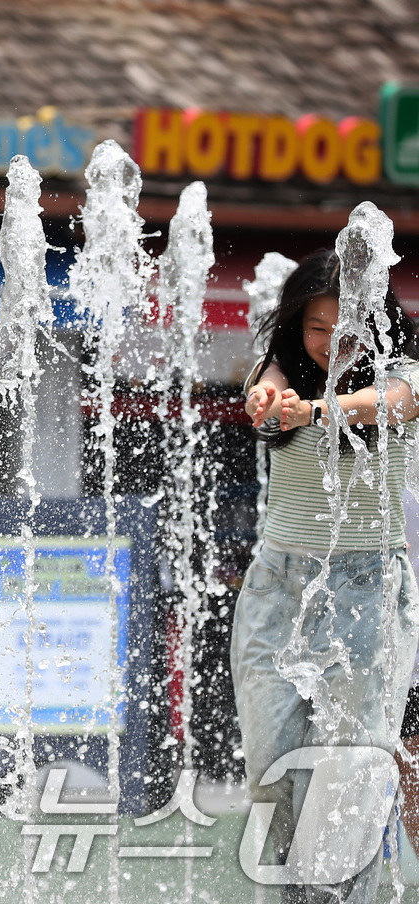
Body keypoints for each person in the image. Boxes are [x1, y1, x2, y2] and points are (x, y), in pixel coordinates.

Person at [239, 247, 419, 902]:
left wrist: (313, 411)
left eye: (348, 327)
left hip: (368, 592)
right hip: (278, 590)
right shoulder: (284, 369)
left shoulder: (404, 373)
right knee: (271, 773)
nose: (333, 342)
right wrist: (267, 393)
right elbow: (264, 382)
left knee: (350, 780)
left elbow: (396, 404)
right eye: (318, 328)